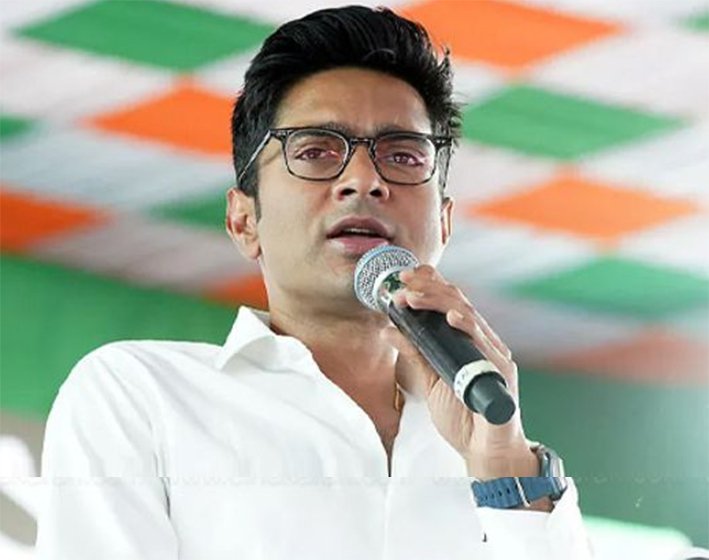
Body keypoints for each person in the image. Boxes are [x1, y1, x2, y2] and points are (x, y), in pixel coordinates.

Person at [36, 6, 592, 560]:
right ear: (244, 221)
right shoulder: (143, 395)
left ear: (444, 224)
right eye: (316, 152)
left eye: (402, 156)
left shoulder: (486, 438)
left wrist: (505, 470)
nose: (364, 180)